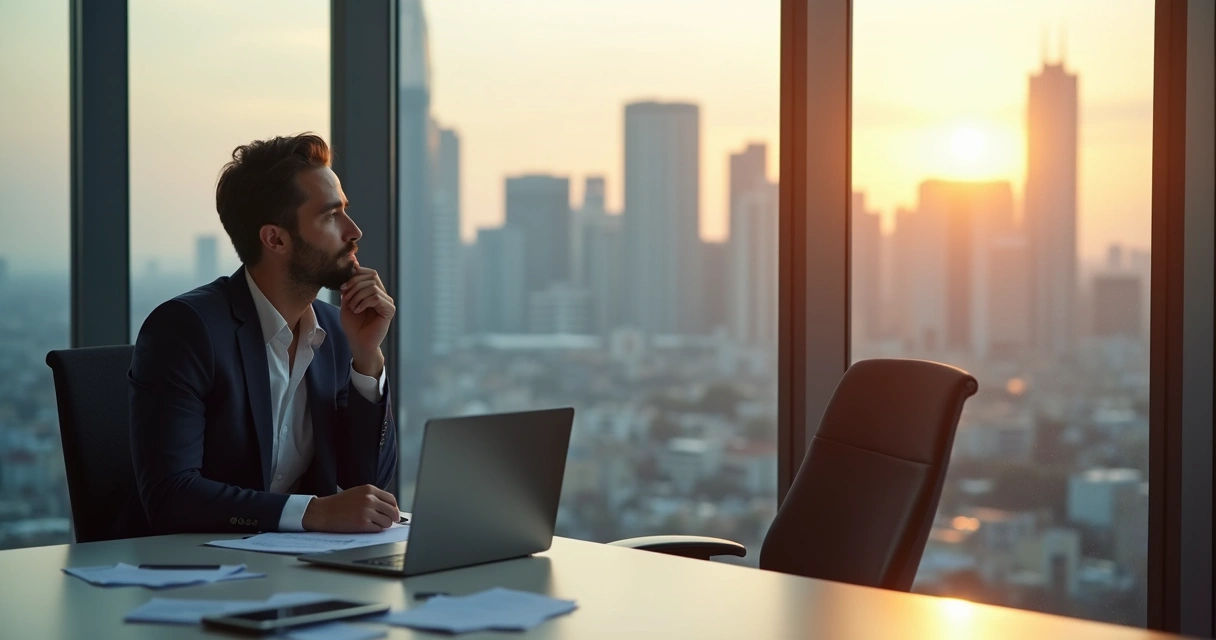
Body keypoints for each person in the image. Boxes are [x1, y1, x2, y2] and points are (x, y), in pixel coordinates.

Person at [129, 133, 399, 535]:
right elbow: (171, 495)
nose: (354, 230)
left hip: (296, 574)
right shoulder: (185, 331)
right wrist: (313, 513)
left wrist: (367, 358)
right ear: (275, 238)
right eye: (331, 215)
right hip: (199, 576)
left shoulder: (337, 333)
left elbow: (367, 484)